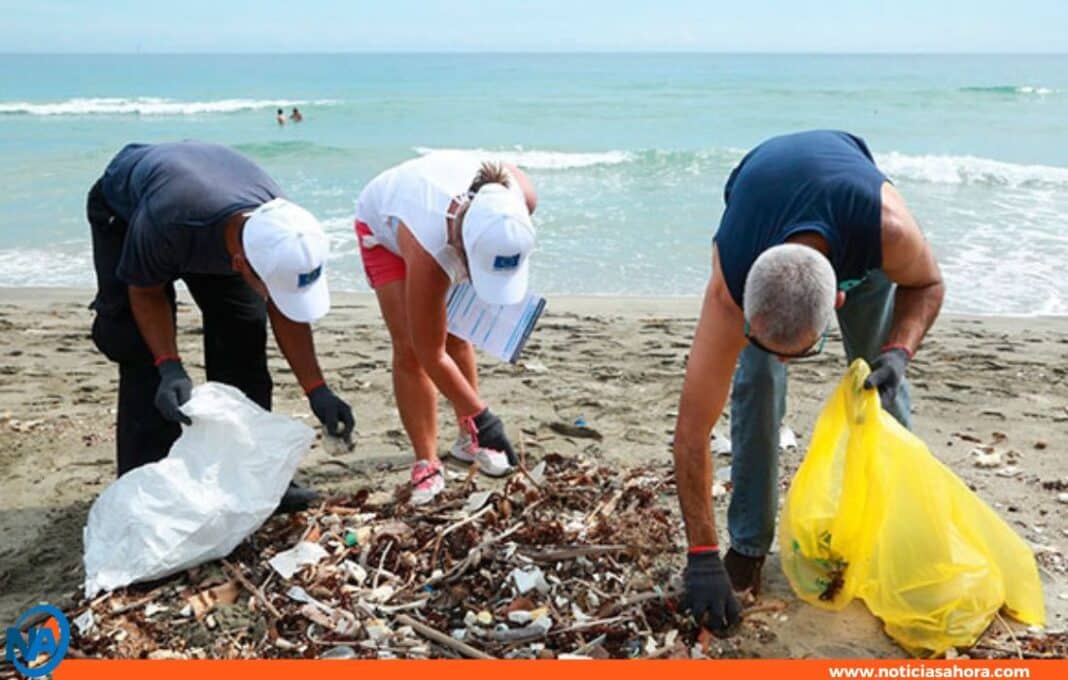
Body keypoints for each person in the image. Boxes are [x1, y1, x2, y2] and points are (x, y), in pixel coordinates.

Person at [672, 130, 944, 635]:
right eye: (764, 341)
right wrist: (701, 555)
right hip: (758, 197)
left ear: (837, 301)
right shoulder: (729, 287)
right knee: (756, 386)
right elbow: (691, 432)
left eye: (798, 354)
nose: (789, 365)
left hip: (854, 233)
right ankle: (748, 545)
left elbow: (927, 284)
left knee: (881, 386)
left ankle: (898, 537)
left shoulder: (889, 234)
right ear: (745, 313)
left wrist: (899, 353)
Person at [87, 141, 356, 512]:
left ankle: (249, 477)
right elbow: (146, 293)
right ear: (240, 263)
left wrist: (317, 389)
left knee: (243, 334)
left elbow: (285, 304)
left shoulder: (281, 230)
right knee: (138, 350)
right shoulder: (169, 222)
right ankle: (148, 492)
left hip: (207, 209)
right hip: (129, 212)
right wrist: (169, 364)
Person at [354, 150, 537, 505]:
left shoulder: (519, 202)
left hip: (443, 207)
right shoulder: (430, 250)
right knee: (411, 345)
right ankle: (427, 460)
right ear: (460, 246)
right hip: (385, 226)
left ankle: (469, 439)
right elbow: (429, 353)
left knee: (457, 333)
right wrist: (487, 418)